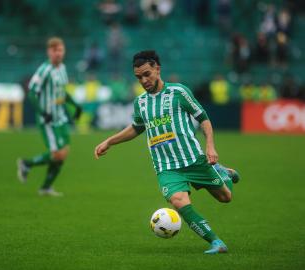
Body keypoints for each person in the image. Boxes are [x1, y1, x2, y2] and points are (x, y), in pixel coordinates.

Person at [94, 50, 240, 254]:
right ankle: (216, 242)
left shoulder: (179, 92)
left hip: (193, 159)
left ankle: (223, 172)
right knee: (178, 201)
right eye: (139, 77)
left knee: (225, 197)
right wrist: (110, 141)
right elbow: (137, 127)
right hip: (166, 167)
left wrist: (210, 146)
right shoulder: (140, 103)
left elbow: (203, 118)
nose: (143, 80)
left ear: (157, 69)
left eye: (147, 74)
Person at [17, 37, 82, 197]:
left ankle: (45, 187)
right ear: (49, 52)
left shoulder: (62, 68)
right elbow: (32, 92)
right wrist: (42, 112)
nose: (58, 54)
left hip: (60, 117)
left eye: (60, 50)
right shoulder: (44, 70)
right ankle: (27, 163)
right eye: (54, 50)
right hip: (48, 119)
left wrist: (76, 105)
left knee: (63, 153)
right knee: (57, 155)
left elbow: (61, 92)